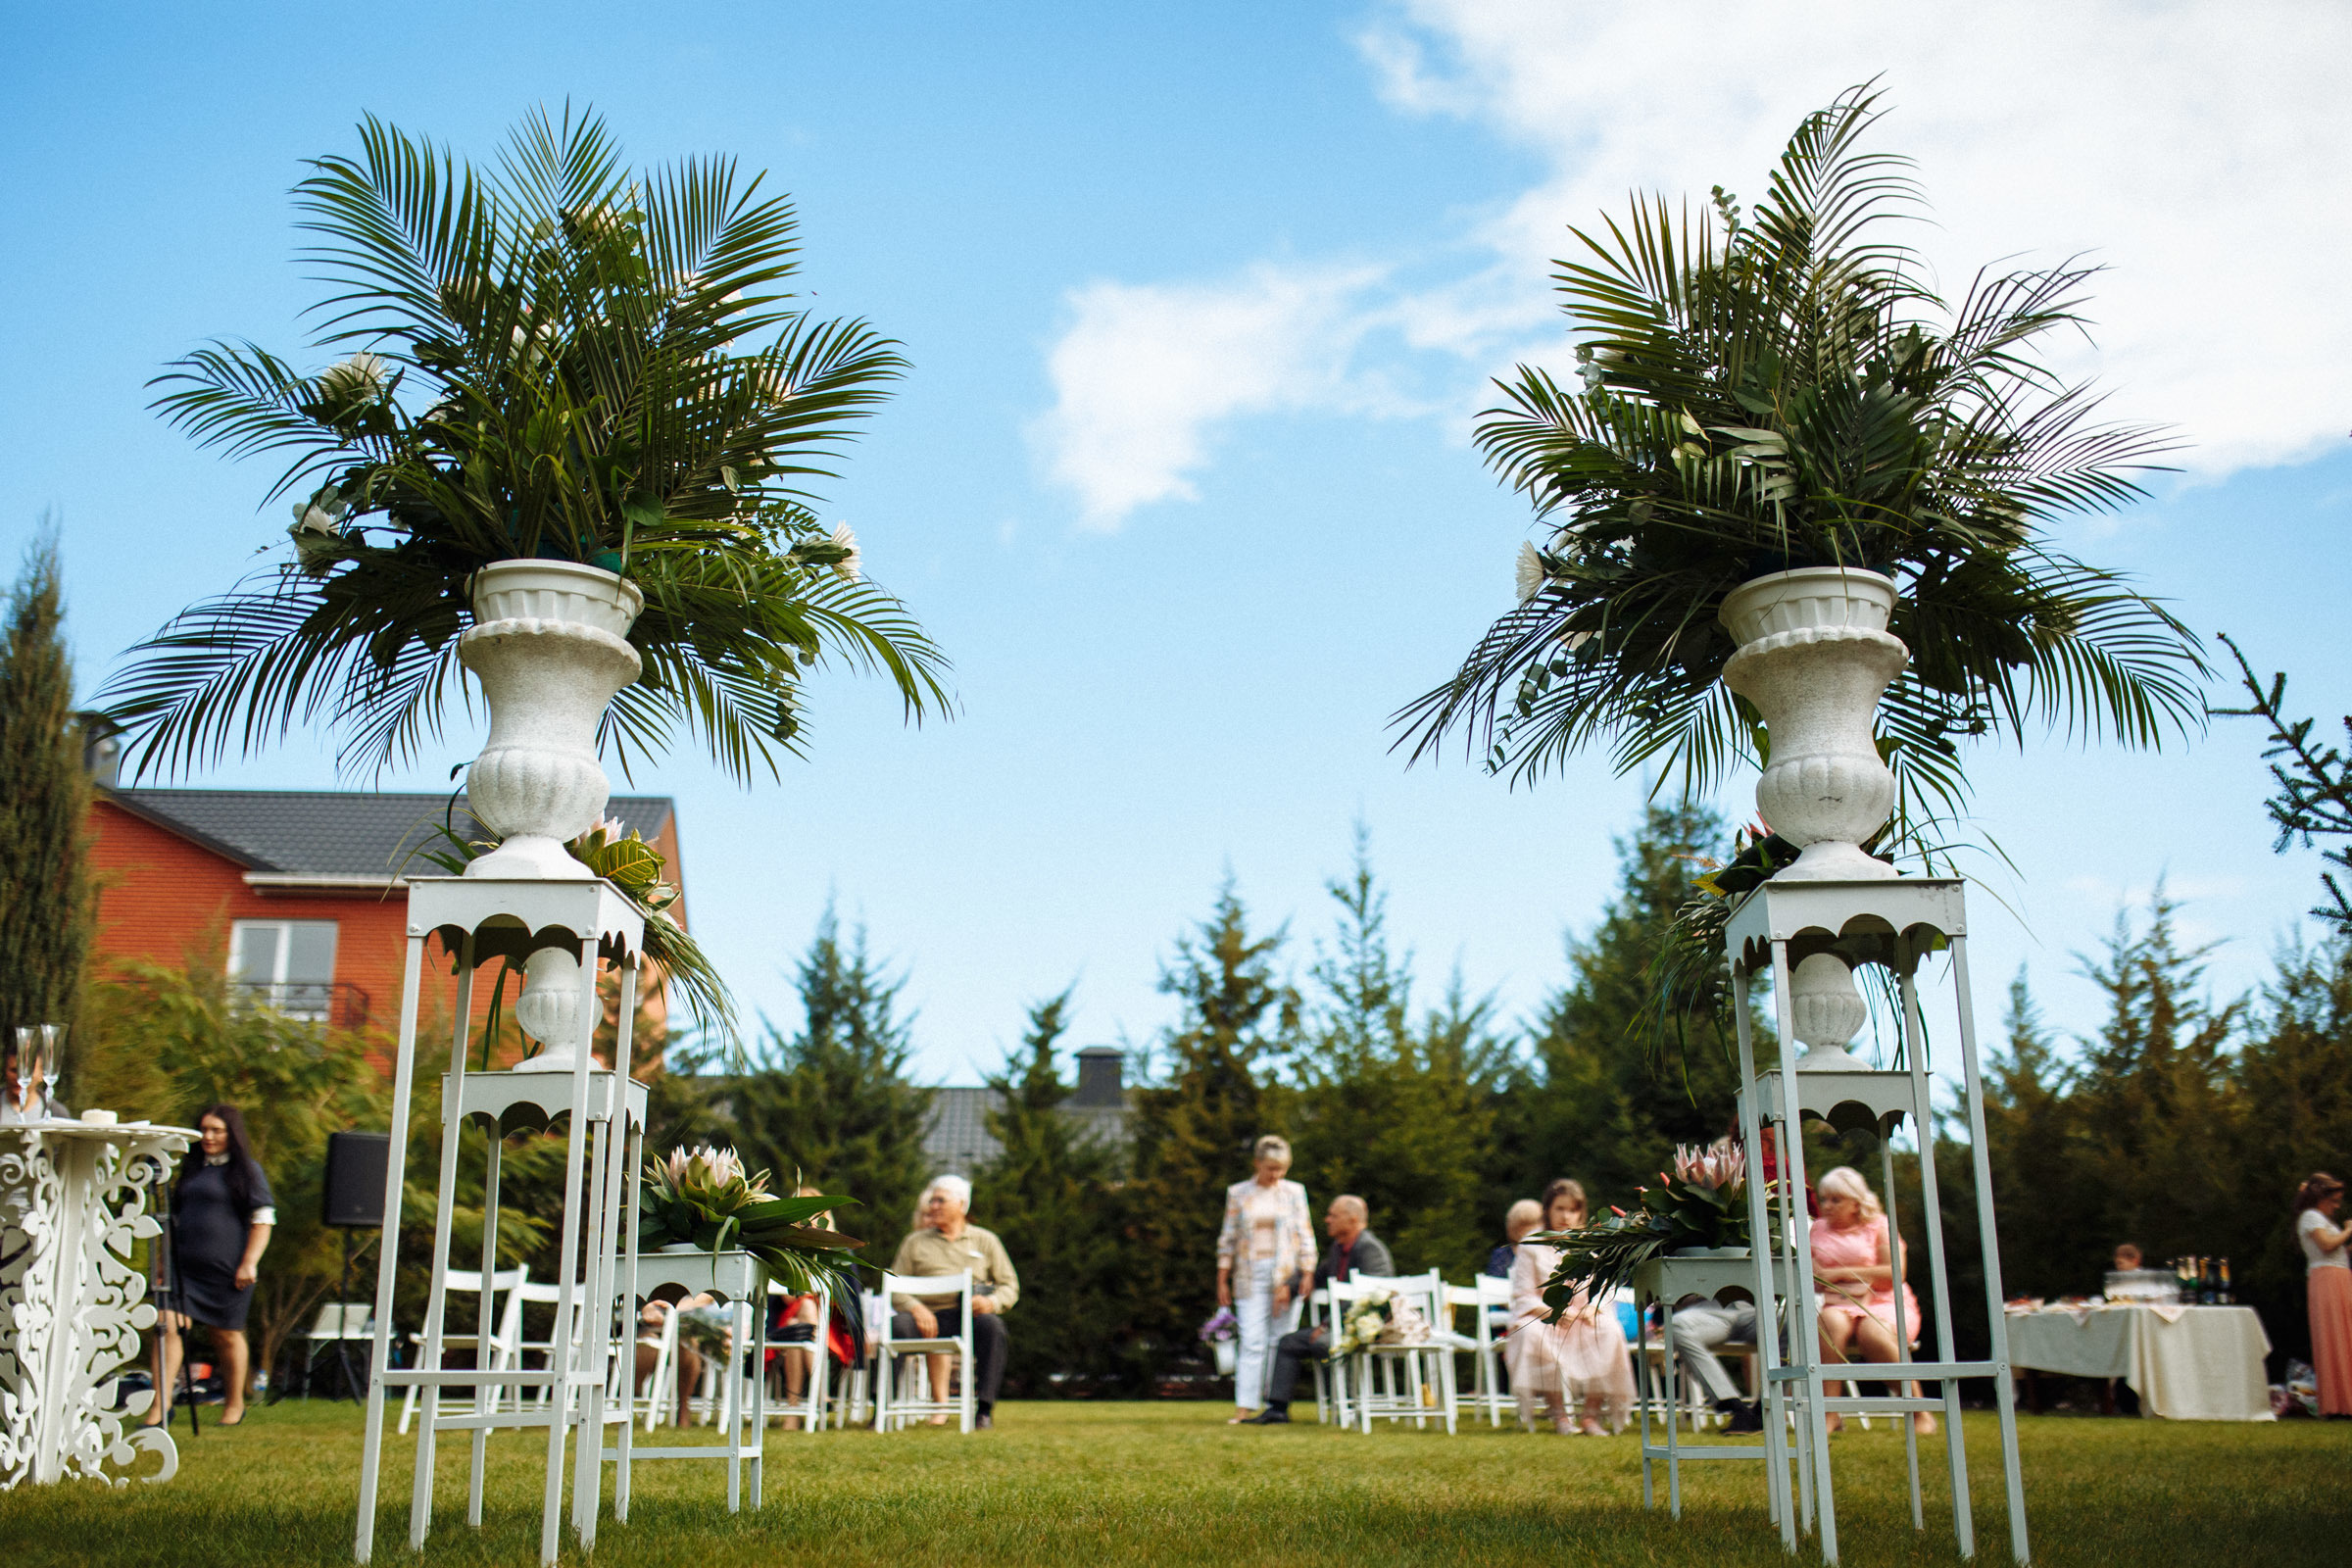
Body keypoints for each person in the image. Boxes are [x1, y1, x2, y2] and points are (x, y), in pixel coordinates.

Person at [146, 1104, 274, 1428]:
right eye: (204, 1129)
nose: (208, 1136)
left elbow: (263, 1219)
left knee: (225, 1336)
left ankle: (234, 1404)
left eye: (217, 1130)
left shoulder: (247, 1171)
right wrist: (162, 1262)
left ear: (232, 1134)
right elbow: (172, 1220)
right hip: (183, 1269)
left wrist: (249, 1263)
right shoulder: (191, 1169)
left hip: (228, 1271)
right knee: (166, 1325)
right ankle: (161, 1405)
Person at [1242, 1195, 1394, 1424]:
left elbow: (1370, 1297)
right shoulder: (1338, 1249)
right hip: (1339, 1326)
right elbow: (1316, 1275)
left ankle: (1346, 1406)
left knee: (1324, 1342)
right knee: (1289, 1343)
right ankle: (1277, 1409)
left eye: (1333, 1215)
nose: (1327, 1220)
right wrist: (1289, 1287)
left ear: (1352, 1219)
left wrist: (1327, 1325)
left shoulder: (1370, 1250)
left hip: (1367, 1327)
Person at [888, 1174, 1019, 1429]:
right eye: (932, 1201)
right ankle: (883, 1406)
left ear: (961, 1205)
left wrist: (991, 1303)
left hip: (968, 1316)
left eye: (940, 1200)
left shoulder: (986, 1240)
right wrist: (915, 1307)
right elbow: (894, 1287)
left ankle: (984, 1409)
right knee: (897, 1326)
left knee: (993, 1327)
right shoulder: (914, 1242)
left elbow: (1010, 1286)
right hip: (925, 1316)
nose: (933, 1206)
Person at [1507, 1178, 1635, 1435]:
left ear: (1581, 1212)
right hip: (1546, 1316)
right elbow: (1523, 1294)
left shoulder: (1590, 1242)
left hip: (1583, 1317)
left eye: (1572, 1209)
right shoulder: (1531, 1243)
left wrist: (1592, 1307)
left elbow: (1603, 1288)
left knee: (1609, 1331)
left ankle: (1591, 1416)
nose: (1566, 1216)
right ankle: (1560, 1416)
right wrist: (1554, 1310)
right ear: (1547, 1209)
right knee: (1532, 1333)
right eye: (1560, 1208)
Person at [1811, 1165, 1932, 1435]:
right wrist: (1819, 1276)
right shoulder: (1817, 1229)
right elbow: (1811, 1273)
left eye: (1836, 1200)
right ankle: (1830, 1413)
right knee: (1828, 1323)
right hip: (1838, 1300)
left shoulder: (1880, 1224)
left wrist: (1839, 1273)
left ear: (1855, 1203)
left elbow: (1894, 1274)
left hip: (1884, 1300)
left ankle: (1919, 1410)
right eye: (1824, 1199)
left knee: (1872, 1334)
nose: (1827, 1206)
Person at [1215, 1135, 1316, 1423]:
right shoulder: (1238, 1193)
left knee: (1280, 1340)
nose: (1276, 1174)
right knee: (1252, 1341)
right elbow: (1228, 1238)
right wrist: (1222, 1278)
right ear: (1257, 1163)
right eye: (1271, 1168)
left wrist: (1307, 1272)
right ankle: (1245, 1405)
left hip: (1285, 1275)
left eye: (1282, 1169)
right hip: (1250, 1275)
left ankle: (1275, 1405)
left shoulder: (1294, 1192)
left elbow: (1305, 1234)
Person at [2296, 1173, 2351, 1418]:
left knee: (2345, 1335)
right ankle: (2338, 1402)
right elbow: (2327, 1245)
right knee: (2334, 1335)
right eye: (2334, 1200)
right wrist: (2349, 1230)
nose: (2336, 1206)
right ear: (2320, 1198)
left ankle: (2345, 1398)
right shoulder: (2310, 1216)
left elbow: (2337, 1250)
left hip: (2337, 1276)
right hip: (2327, 1279)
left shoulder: (2320, 1219)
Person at [1486, 1200, 1543, 1279]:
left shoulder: (1547, 1254)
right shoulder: (1501, 1255)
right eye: (1523, 1225)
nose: (1529, 1229)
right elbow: (1493, 1282)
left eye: (1534, 1223)